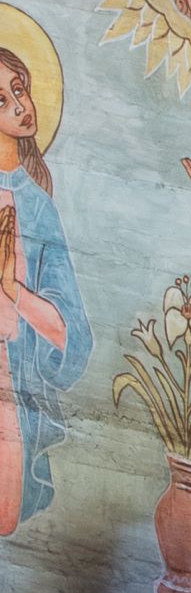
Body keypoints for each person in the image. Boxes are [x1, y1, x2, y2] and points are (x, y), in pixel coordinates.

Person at [0, 42, 81, 540]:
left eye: (20, 89)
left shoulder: (37, 207)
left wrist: (14, 291)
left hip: (11, 385)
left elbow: (72, 333)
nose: (20, 105)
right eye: (1, 100)